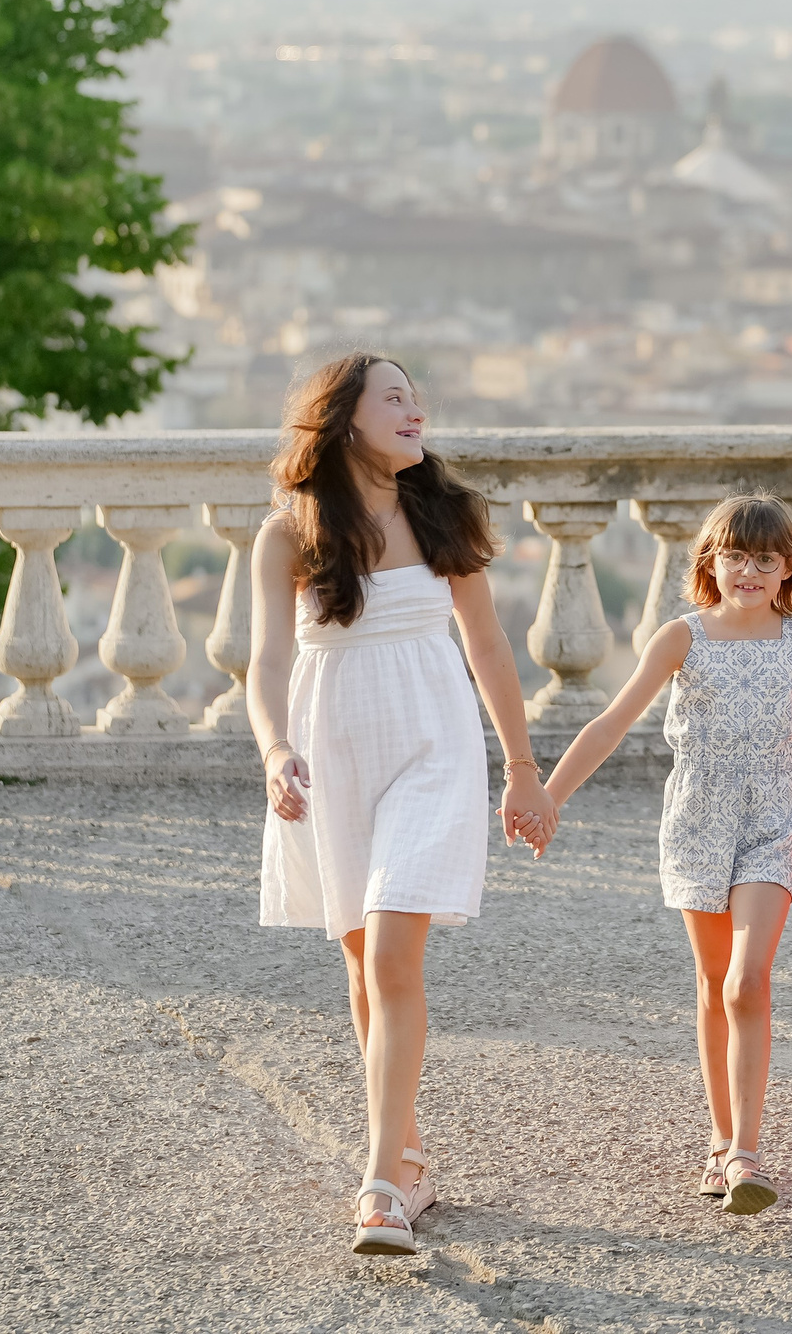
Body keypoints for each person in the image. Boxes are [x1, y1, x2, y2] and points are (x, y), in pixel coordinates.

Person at [249, 353, 558, 1256]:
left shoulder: (444, 513)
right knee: (360, 965)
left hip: (434, 743)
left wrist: (524, 768)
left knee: (390, 949)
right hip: (332, 748)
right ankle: (410, 1153)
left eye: (417, 398)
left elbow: (492, 648)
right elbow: (265, 664)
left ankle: (381, 1183)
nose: (415, 411)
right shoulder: (288, 534)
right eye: (395, 399)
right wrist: (275, 750)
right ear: (344, 420)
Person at [530, 495, 792, 1216]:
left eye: (767, 558)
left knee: (746, 981)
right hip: (696, 818)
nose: (751, 569)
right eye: (737, 555)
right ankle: (719, 1135)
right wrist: (550, 796)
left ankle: (747, 1153)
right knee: (711, 984)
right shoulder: (681, 638)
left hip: (772, 816)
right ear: (711, 562)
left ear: (790, 568)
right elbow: (610, 723)